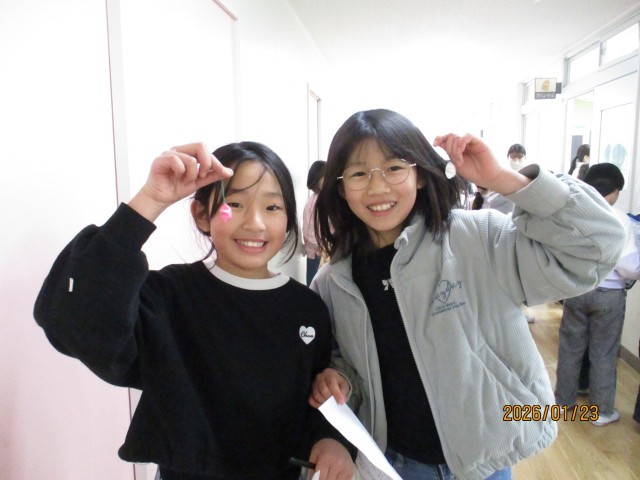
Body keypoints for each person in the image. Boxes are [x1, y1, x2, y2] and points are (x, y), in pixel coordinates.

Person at [307, 109, 625, 480]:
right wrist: (340, 378)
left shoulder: (478, 238)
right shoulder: (334, 282)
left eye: (394, 168)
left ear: (419, 175)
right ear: (341, 188)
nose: (377, 188)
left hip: (484, 463)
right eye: (359, 174)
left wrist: (505, 180)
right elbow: (348, 362)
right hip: (394, 464)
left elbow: (597, 246)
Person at [33, 142, 355, 480]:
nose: (255, 223)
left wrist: (329, 441)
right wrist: (150, 199)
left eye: (272, 207)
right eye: (234, 204)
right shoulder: (170, 295)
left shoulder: (306, 310)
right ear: (202, 215)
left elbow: (318, 400)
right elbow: (72, 318)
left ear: (288, 219)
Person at [555, 162, 640, 427]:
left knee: (570, 348)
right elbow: (629, 265)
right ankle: (602, 411)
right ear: (614, 191)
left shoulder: (574, 214)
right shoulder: (621, 219)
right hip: (609, 295)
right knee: (604, 351)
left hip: (576, 289)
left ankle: (563, 403)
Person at [304, 160, 327, 285]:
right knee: (315, 287)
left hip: (321, 252)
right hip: (317, 254)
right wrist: (323, 245)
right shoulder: (316, 201)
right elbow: (309, 233)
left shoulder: (321, 199)